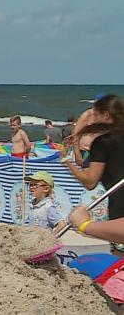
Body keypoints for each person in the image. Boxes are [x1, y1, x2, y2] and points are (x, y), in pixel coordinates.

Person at [61, 94, 124, 255]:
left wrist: (67, 162)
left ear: (106, 115)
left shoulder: (103, 143)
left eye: (94, 115)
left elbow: (90, 182)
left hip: (120, 204)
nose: (91, 120)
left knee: (120, 256)